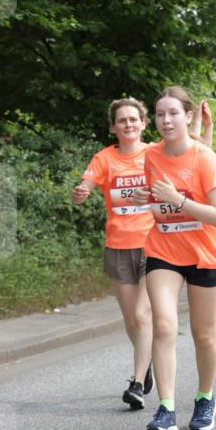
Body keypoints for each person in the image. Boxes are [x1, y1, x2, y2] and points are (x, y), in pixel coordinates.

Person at [135, 86, 216, 430]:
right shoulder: (152, 156)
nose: (166, 120)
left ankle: (205, 398)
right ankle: (166, 409)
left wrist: (177, 200)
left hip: (205, 254)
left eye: (173, 113)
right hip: (164, 250)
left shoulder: (204, 158)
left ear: (187, 116)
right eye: (160, 114)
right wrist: (153, 198)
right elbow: (158, 199)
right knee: (163, 324)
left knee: (203, 335)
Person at [72, 98, 155, 409]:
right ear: (113, 127)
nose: (129, 125)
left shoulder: (154, 154)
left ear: (143, 123)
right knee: (131, 319)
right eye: (122, 121)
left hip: (153, 244)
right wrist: (81, 192)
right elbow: (86, 184)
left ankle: (136, 383)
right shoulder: (105, 158)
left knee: (144, 314)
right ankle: (145, 364)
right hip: (119, 245)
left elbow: (175, 186)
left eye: (134, 119)